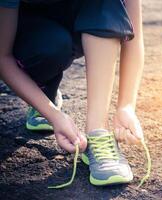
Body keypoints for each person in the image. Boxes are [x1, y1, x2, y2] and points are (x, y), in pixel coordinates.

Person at [0, 0, 144, 186]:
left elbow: (134, 36)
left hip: (79, 22)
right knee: (52, 46)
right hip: (29, 35)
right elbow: (3, 57)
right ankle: (43, 90)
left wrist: (126, 106)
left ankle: (97, 130)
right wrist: (54, 115)